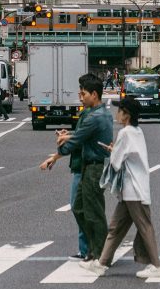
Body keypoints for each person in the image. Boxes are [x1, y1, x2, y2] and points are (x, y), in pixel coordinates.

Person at [39, 72, 115, 265]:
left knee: (93, 211)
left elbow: (78, 140)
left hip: (94, 167)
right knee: (80, 207)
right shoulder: (100, 114)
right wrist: (68, 138)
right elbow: (81, 136)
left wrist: (58, 151)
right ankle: (93, 248)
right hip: (88, 165)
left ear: (94, 95)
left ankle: (100, 253)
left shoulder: (95, 117)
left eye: (83, 93)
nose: (81, 97)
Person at [98, 98, 160, 278]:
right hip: (132, 189)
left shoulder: (125, 133)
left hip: (133, 188)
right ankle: (102, 262)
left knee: (144, 226)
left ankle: (157, 266)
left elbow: (116, 162)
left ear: (126, 114)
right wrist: (116, 151)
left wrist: (112, 151)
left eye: (119, 110)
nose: (117, 114)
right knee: (116, 227)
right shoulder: (137, 131)